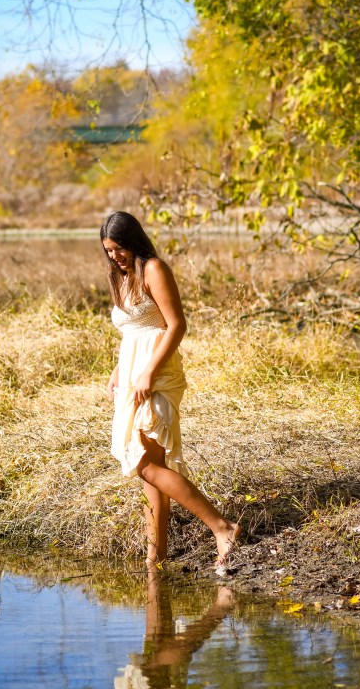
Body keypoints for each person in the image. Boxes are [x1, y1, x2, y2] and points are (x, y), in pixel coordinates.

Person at [101, 211, 240, 570]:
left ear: (133, 241)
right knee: (151, 465)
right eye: (108, 250)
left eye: (118, 248)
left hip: (157, 374)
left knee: (146, 465)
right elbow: (132, 331)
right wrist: (119, 370)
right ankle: (156, 553)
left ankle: (222, 527)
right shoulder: (123, 277)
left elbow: (176, 325)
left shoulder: (154, 269)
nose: (115, 256)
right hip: (132, 377)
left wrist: (148, 372)